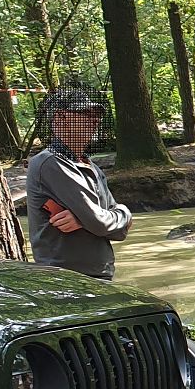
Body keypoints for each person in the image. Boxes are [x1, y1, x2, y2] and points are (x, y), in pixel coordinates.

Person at [26, 89, 133, 279]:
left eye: (97, 116)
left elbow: (119, 229)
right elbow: (100, 224)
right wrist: (96, 220)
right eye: (85, 114)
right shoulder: (51, 163)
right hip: (67, 280)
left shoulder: (90, 166)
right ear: (60, 118)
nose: (95, 121)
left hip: (97, 277)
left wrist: (86, 219)